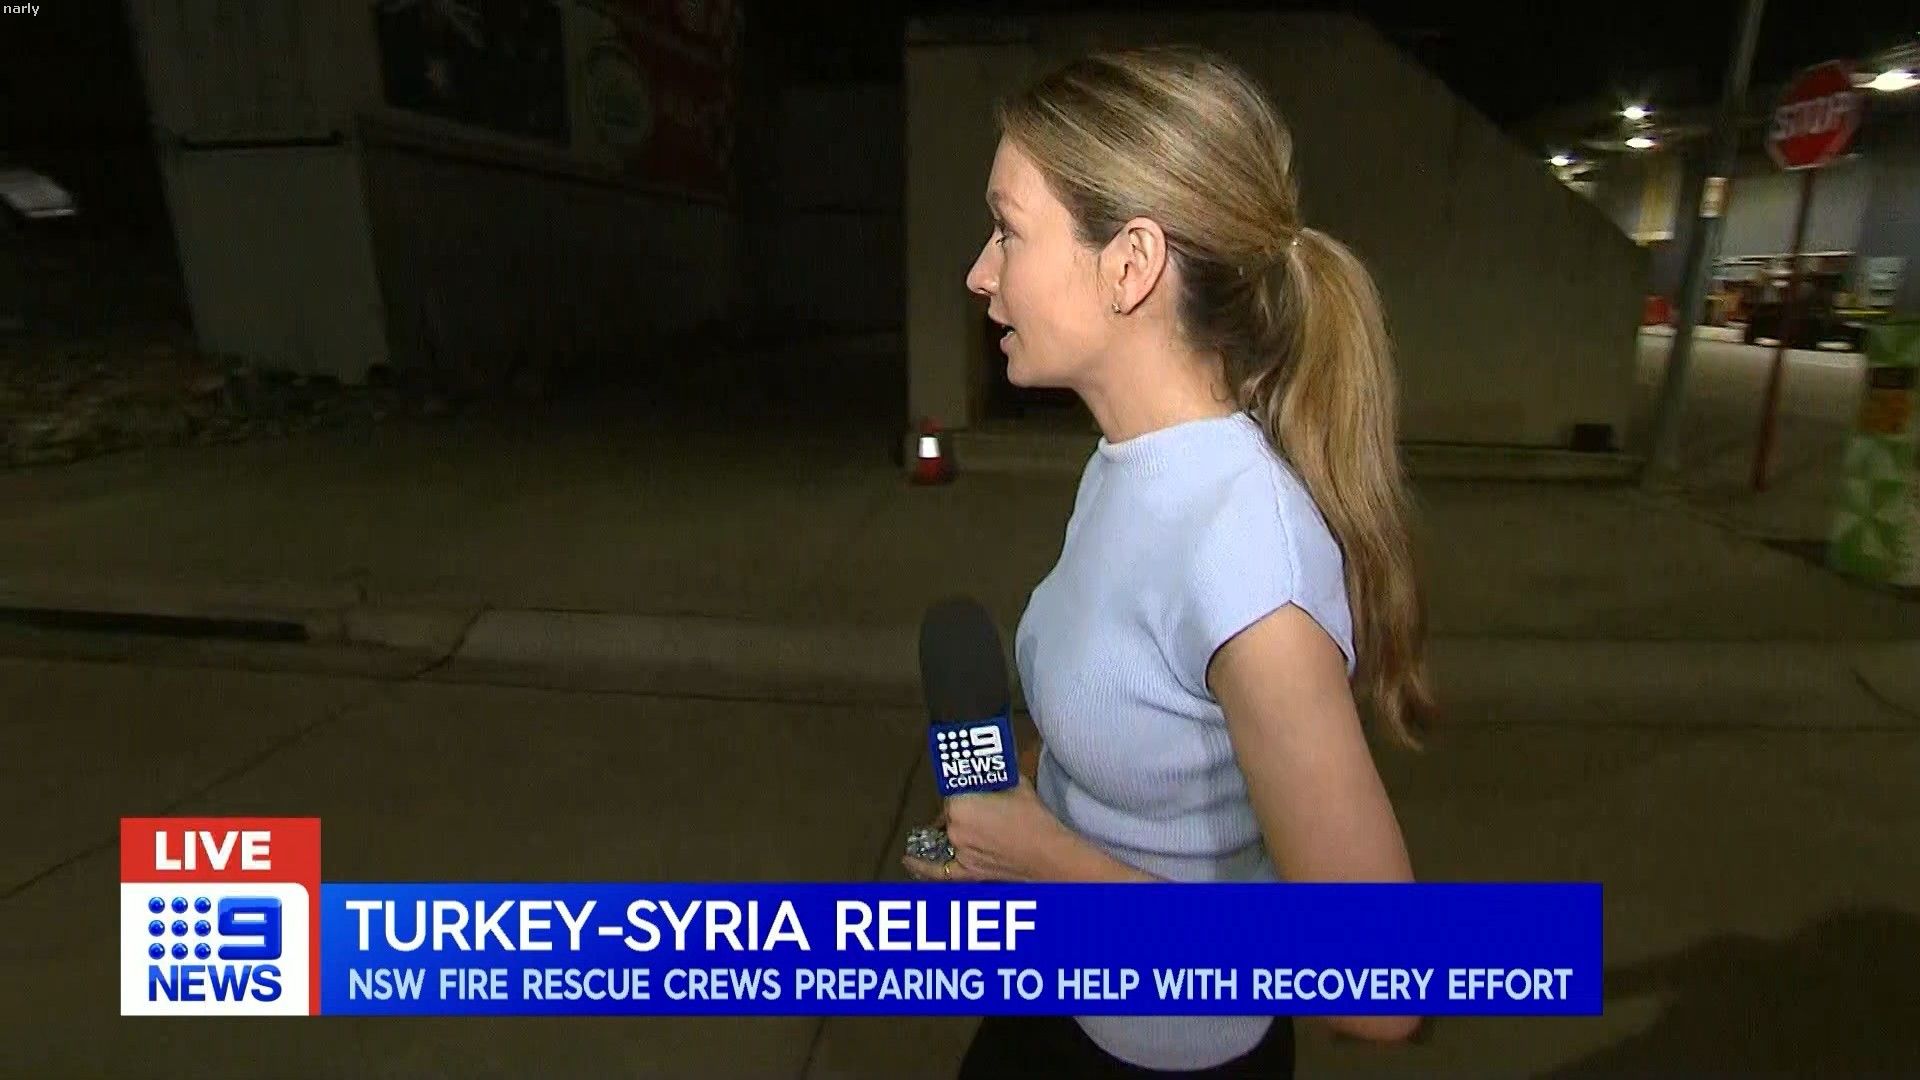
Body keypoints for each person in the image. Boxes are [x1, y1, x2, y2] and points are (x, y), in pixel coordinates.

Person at [900, 45, 1434, 1076]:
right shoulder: (1130, 466)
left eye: (1008, 230)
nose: (979, 273)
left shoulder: (1247, 563)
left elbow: (1380, 989)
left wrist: (1045, 859)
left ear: (1131, 264)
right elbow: (1132, 730)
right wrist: (1003, 818)